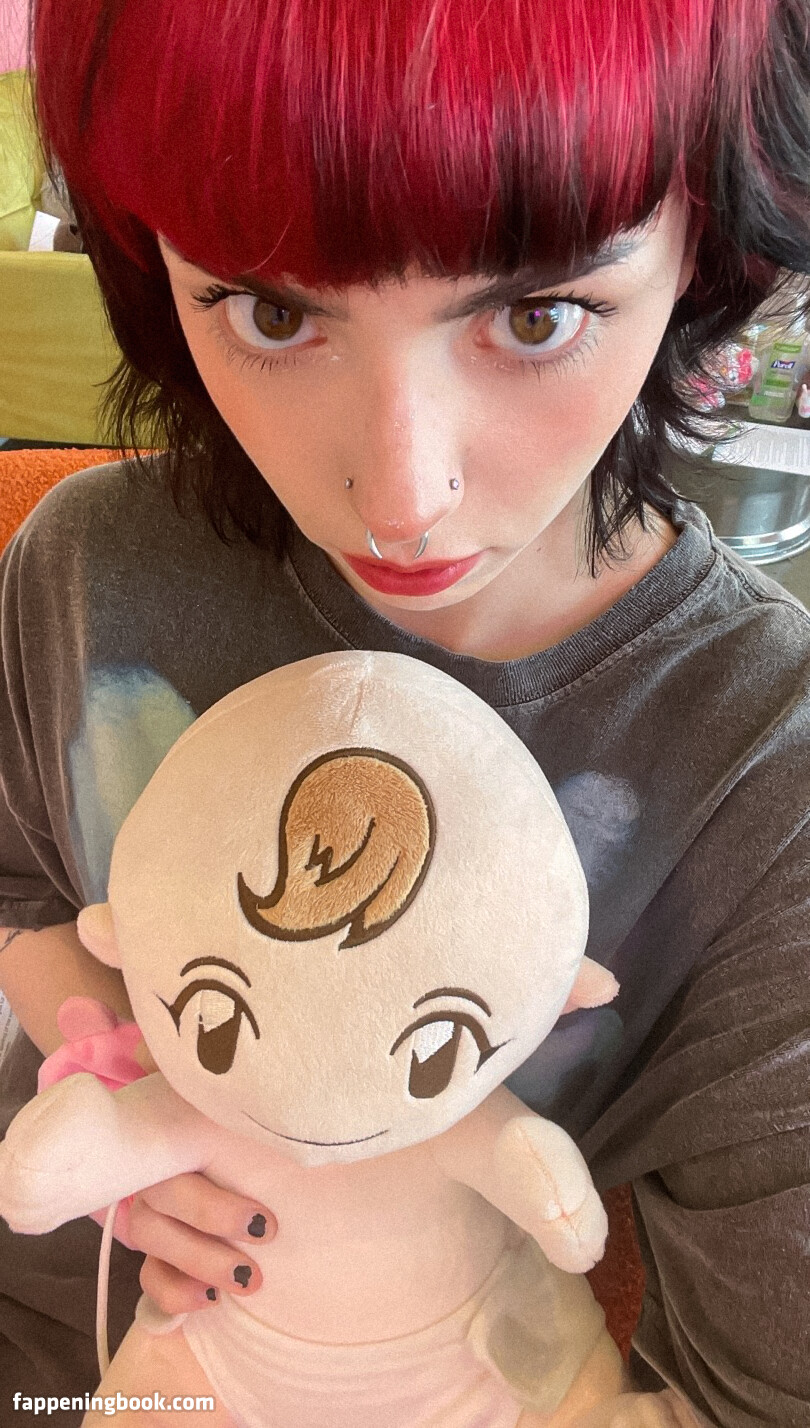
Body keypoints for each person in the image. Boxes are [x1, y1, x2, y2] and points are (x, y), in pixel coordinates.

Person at [0, 0, 807, 1423]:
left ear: (703, 246)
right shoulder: (86, 567)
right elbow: (22, 890)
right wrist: (142, 1101)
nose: (399, 494)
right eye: (272, 311)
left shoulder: (763, 766)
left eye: (538, 315)